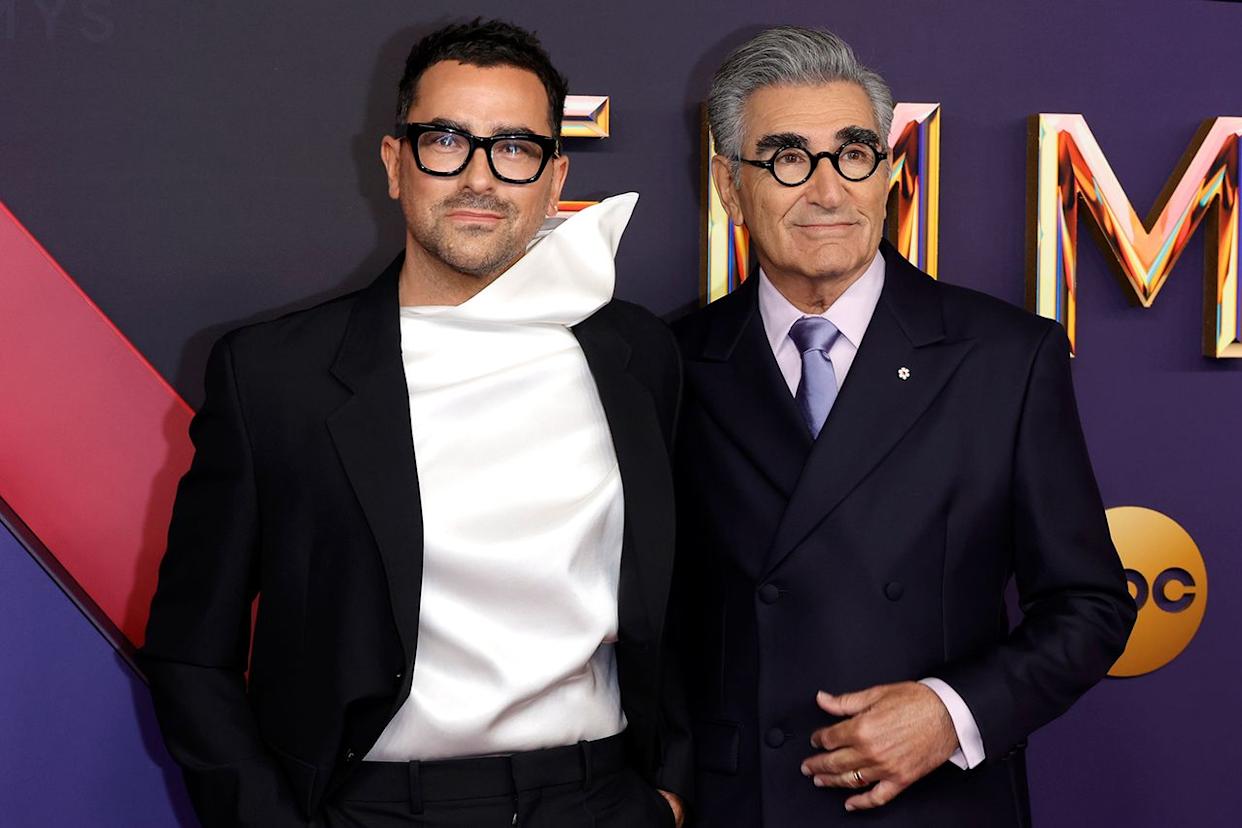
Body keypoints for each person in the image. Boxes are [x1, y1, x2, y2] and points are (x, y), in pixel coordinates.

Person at [141, 19, 688, 828]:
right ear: (396, 163)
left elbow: (687, 595)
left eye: (514, 147)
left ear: (554, 178)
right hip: (378, 808)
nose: (479, 177)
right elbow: (191, 652)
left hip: (597, 798)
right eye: (446, 141)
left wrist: (666, 795)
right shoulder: (275, 377)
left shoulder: (637, 356)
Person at [672, 26, 1135, 826]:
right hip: (742, 805)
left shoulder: (1003, 357)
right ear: (728, 185)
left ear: (887, 174)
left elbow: (1090, 604)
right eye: (787, 159)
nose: (828, 192)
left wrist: (950, 714)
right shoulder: (673, 362)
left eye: (854, 155)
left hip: (935, 804)